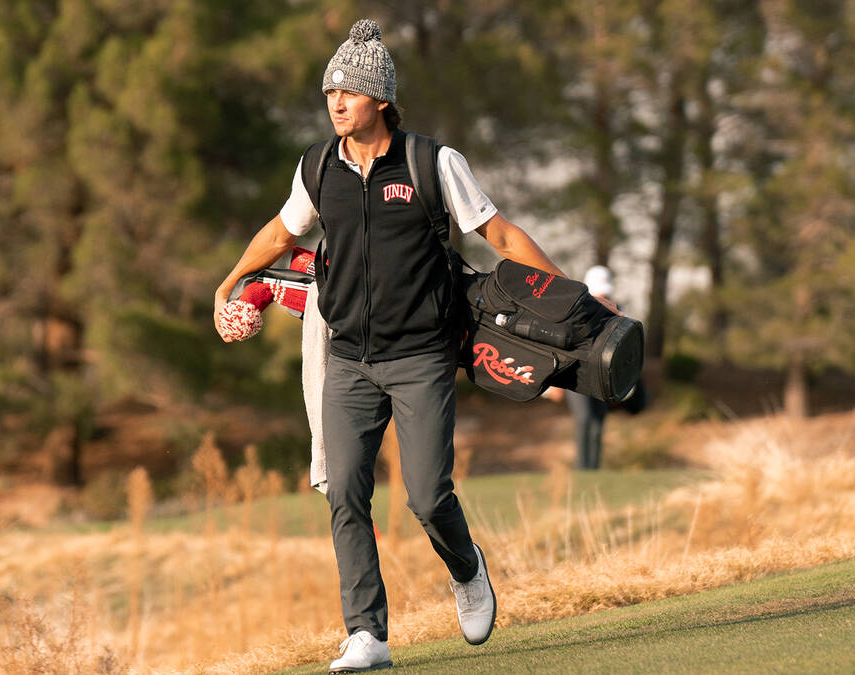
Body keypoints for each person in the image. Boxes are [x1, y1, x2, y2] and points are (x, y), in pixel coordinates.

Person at [213, 19, 566, 673]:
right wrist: (233, 279)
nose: (336, 103)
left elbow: (503, 236)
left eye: (347, 92)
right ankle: (366, 632)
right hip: (348, 359)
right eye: (329, 94)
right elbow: (278, 231)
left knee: (429, 495)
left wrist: (566, 301)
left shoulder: (433, 162)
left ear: (379, 98)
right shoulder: (318, 167)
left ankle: (466, 568)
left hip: (422, 356)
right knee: (344, 491)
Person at [547, 265, 616, 470]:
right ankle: (582, 469)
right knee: (584, 419)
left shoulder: (616, 310)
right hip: (575, 376)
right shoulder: (575, 311)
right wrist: (555, 382)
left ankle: (593, 470)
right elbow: (562, 347)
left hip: (601, 379)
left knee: (597, 424)